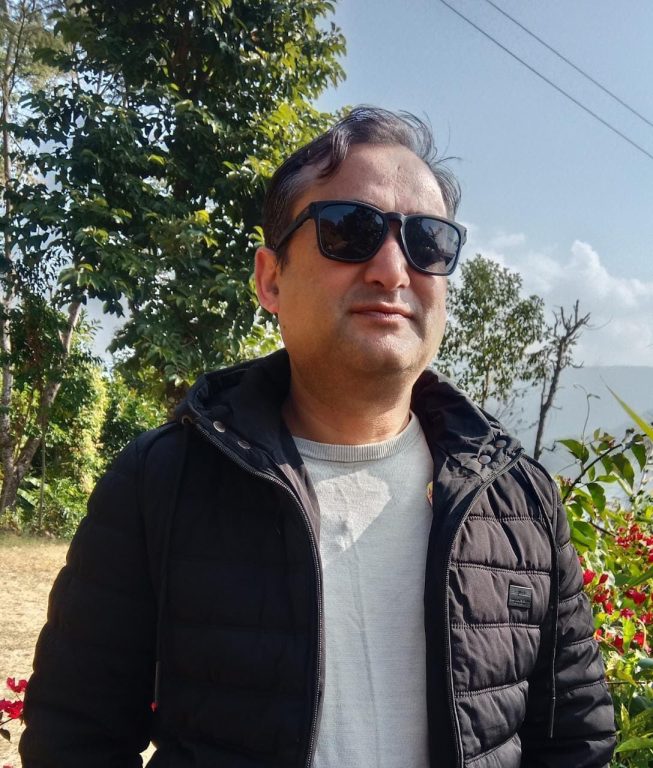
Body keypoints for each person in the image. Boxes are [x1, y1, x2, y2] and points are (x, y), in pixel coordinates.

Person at [20, 106, 615, 768]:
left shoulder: (521, 502)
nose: (393, 269)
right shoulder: (161, 482)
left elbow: (574, 743)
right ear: (270, 278)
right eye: (351, 229)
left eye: (427, 240)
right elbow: (75, 735)